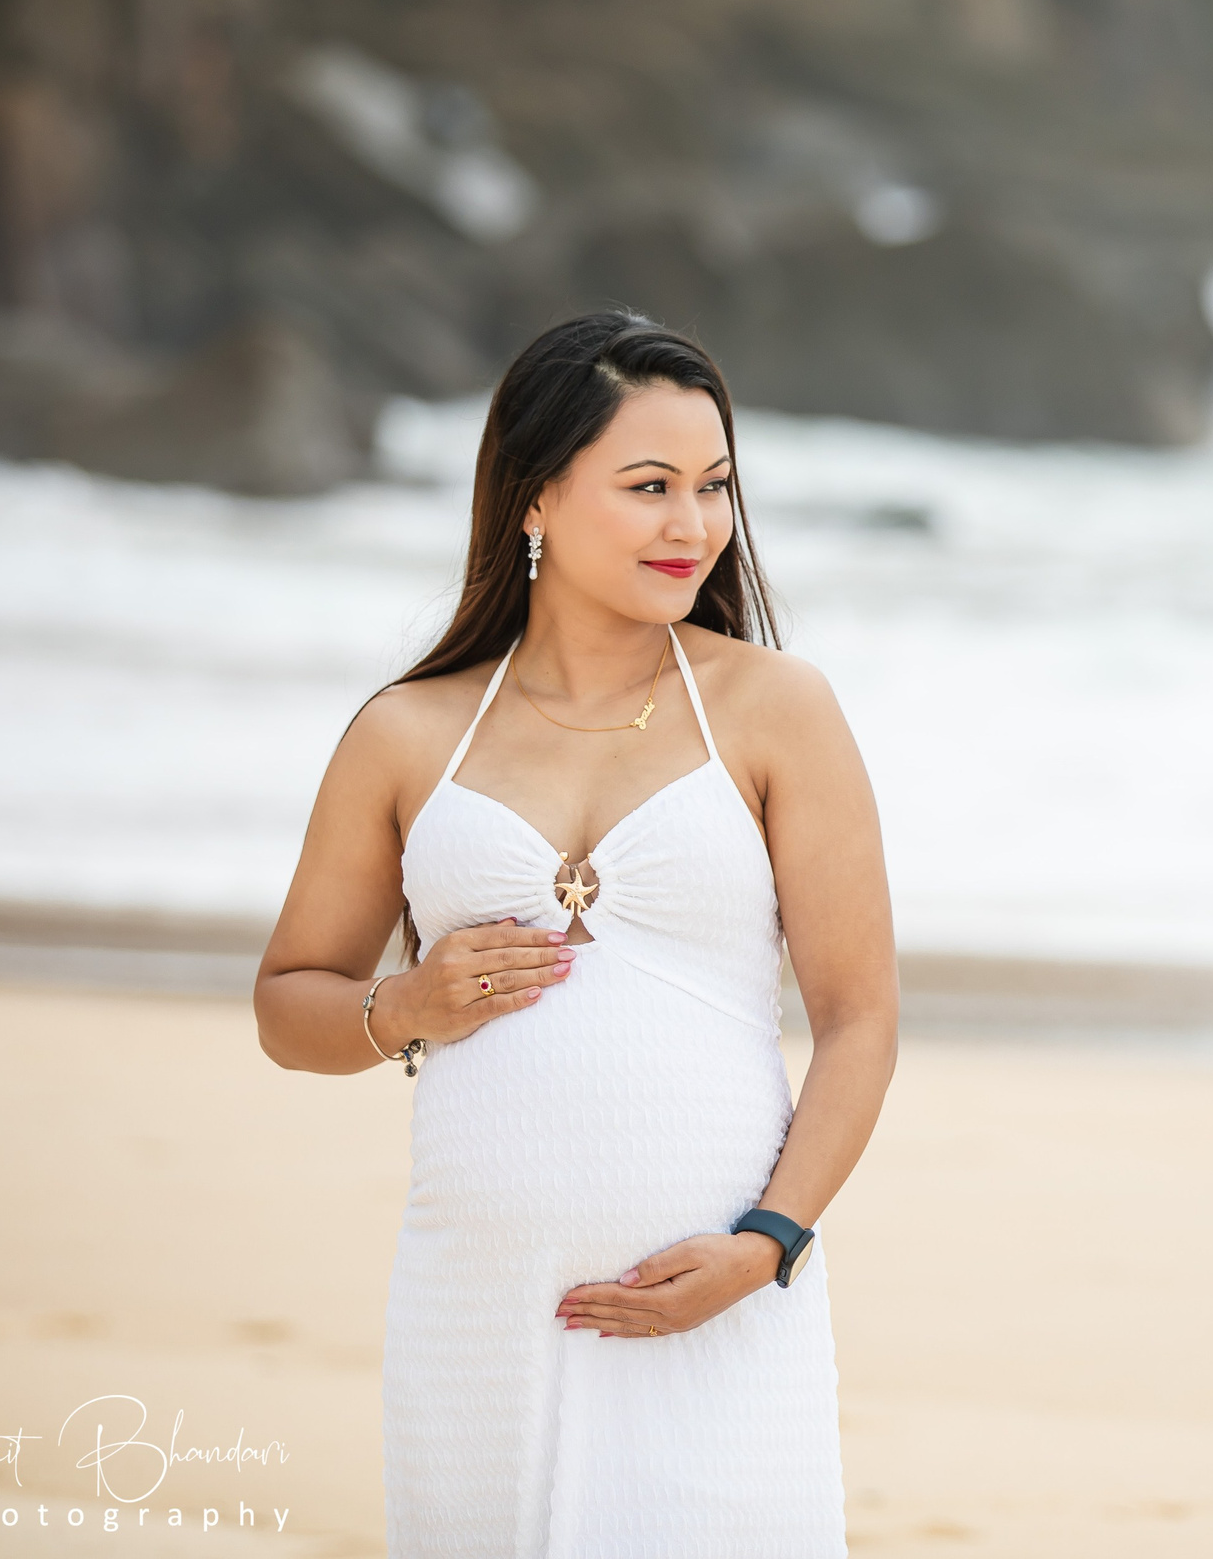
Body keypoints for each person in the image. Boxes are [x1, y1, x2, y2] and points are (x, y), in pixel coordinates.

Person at [253, 309, 898, 1556]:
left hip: (715, 1303)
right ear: (535, 498)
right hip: (477, 1310)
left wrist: (767, 1247)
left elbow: (861, 1020)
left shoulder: (775, 711)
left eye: (713, 486)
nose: (693, 525)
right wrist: (409, 1007)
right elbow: (291, 1003)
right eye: (648, 486)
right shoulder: (406, 733)